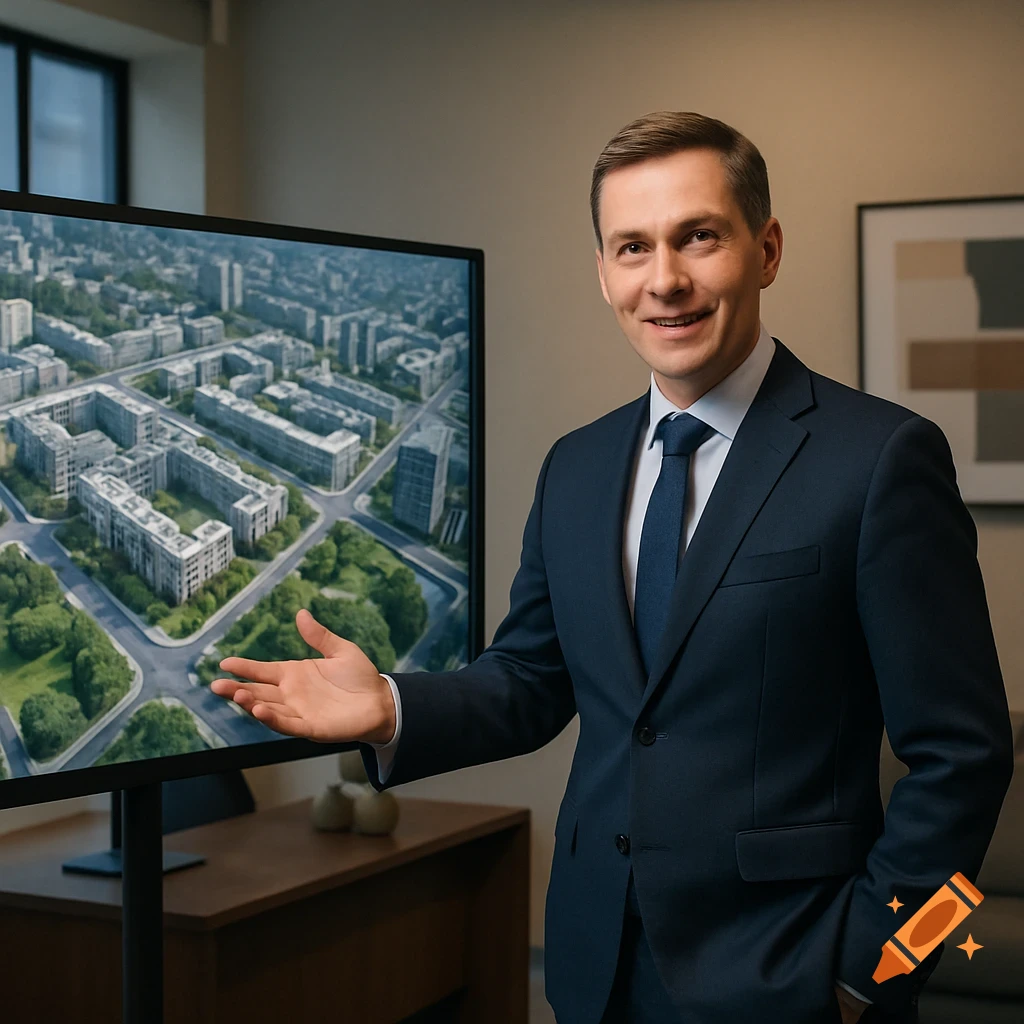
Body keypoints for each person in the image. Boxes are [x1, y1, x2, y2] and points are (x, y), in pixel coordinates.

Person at [210, 111, 1014, 1024]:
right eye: (632, 247)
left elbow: (968, 762)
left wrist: (879, 970)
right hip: (594, 967)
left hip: (796, 982)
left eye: (698, 237)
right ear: (603, 272)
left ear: (767, 248)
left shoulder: (880, 460)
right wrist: (391, 707)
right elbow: (531, 680)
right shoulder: (578, 466)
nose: (665, 280)